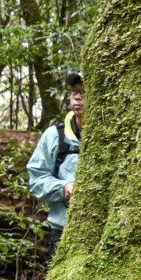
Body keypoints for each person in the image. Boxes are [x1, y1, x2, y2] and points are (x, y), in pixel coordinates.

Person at [27, 72, 84, 264]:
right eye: (75, 91)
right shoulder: (54, 136)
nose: (77, 96)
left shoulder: (114, 135)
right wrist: (63, 187)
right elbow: (37, 178)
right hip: (62, 230)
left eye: (84, 91)